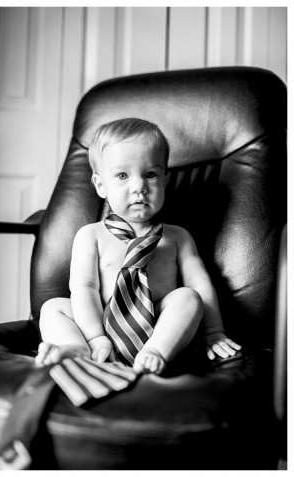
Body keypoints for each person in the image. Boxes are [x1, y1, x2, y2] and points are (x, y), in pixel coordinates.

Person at [33, 118, 240, 375]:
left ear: (164, 180)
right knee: (53, 307)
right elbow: (83, 288)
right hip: (99, 326)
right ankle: (77, 349)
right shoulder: (91, 236)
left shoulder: (178, 237)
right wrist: (96, 337)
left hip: (159, 328)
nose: (139, 187)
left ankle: (155, 353)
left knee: (188, 297)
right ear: (100, 185)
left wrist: (214, 333)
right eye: (122, 175)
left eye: (150, 175)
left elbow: (200, 285)